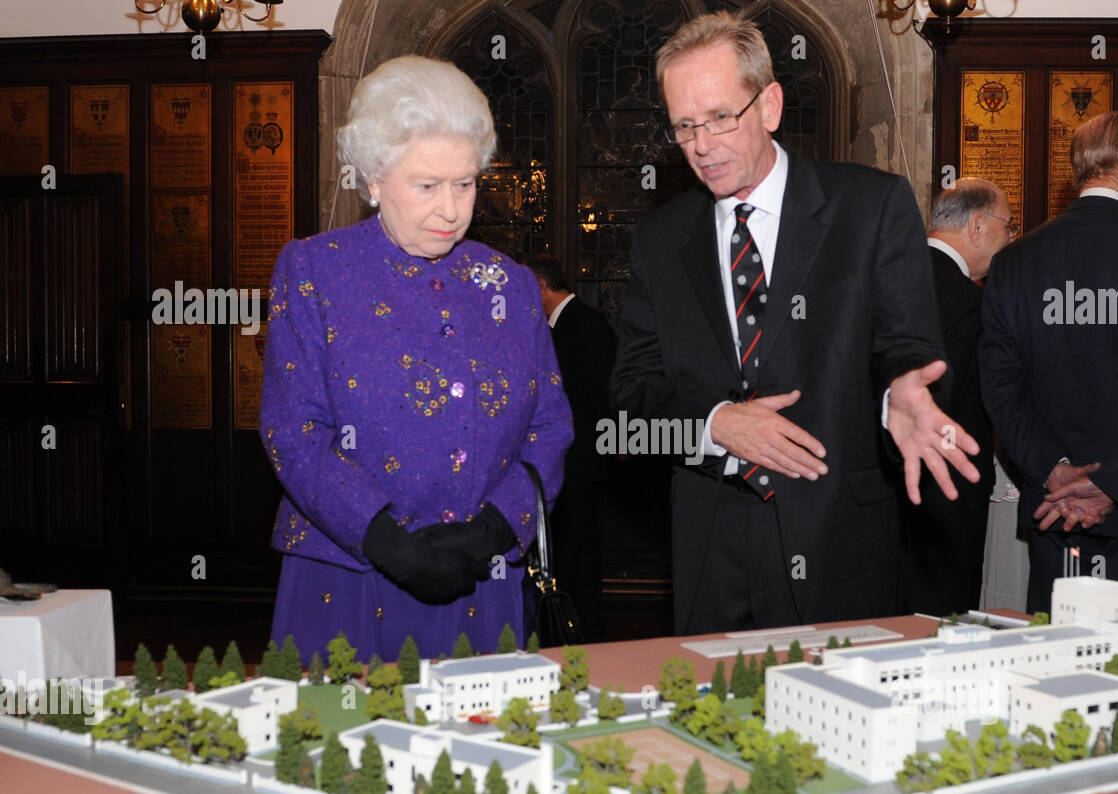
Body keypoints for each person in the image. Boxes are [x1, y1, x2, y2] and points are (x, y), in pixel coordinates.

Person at [611, 12, 981, 635]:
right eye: (684, 126)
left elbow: (907, 348)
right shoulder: (660, 239)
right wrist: (715, 425)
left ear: (770, 105)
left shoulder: (870, 206)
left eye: (722, 117)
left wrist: (902, 392)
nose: (702, 144)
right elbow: (629, 407)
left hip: (842, 544)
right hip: (710, 555)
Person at [259, 56, 573, 664]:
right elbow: (292, 432)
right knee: (341, 751)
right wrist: (388, 545)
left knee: (478, 751)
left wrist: (492, 532)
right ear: (374, 179)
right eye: (427, 185)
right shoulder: (315, 271)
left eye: (466, 183)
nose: (451, 209)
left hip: (482, 577)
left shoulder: (508, 283)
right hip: (347, 572)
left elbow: (551, 428)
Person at [979, 109, 1118, 617]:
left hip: (1055, 507)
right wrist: (1114, 481)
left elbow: (1000, 387)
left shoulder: (1015, 261)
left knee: (1059, 667)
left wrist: (1053, 471)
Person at [902, 178, 1011, 616]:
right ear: (979, 225)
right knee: (942, 624)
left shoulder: (889, 277)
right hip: (945, 498)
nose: (1010, 239)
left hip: (881, 496)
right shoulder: (970, 302)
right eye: (1009, 226)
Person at [526, 254, 616, 641]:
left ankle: (583, 639)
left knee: (580, 559)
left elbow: (604, 395)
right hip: (567, 467)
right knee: (568, 558)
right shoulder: (558, 326)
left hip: (583, 467)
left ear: (541, 286)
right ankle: (567, 635)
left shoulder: (584, 323)